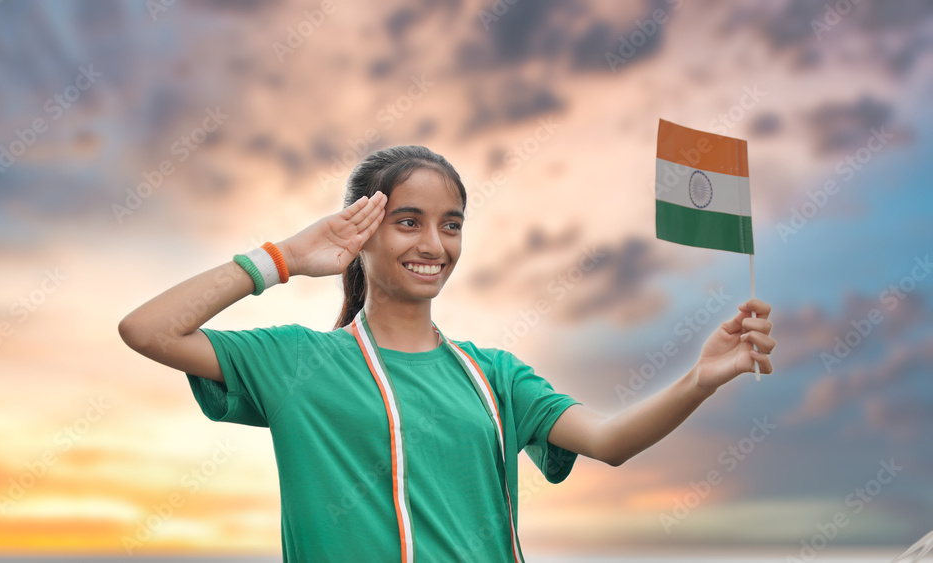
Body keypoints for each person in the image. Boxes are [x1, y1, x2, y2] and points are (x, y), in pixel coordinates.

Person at [118, 145, 776, 562]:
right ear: (361, 232)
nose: (434, 242)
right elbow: (149, 330)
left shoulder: (494, 376)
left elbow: (608, 439)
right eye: (409, 220)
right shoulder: (297, 364)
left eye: (451, 223)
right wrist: (284, 258)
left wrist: (702, 377)